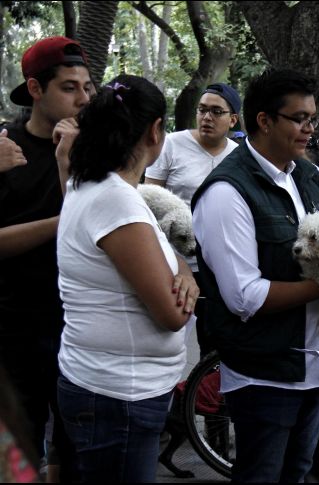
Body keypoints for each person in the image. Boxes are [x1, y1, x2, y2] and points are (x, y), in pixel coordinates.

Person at [191, 68, 319, 483]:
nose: (310, 128)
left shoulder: (308, 175)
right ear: (264, 120)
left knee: (298, 475)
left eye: (312, 118)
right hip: (265, 374)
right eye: (300, 118)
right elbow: (245, 297)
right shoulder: (227, 192)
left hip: (316, 366)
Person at [55, 74, 198, 482]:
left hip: (107, 388)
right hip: (119, 397)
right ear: (155, 131)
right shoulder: (116, 200)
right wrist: (189, 284)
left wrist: (183, 269)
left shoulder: (91, 183)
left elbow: (148, 253)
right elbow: (172, 314)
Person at [0, 35, 94, 481]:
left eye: (87, 87)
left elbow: (102, 235)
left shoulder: (93, 151)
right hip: (15, 323)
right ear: (35, 90)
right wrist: (64, 222)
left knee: (75, 447)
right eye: (69, 87)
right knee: (20, 447)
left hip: (77, 323)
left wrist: (69, 161)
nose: (82, 98)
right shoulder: (5, 149)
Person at [145, 81, 241, 358]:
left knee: (214, 341)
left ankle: (204, 398)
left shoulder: (239, 157)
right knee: (168, 337)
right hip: (173, 261)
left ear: (232, 119)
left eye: (216, 112)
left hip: (219, 264)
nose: (206, 117)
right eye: (202, 110)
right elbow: (150, 199)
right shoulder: (172, 145)